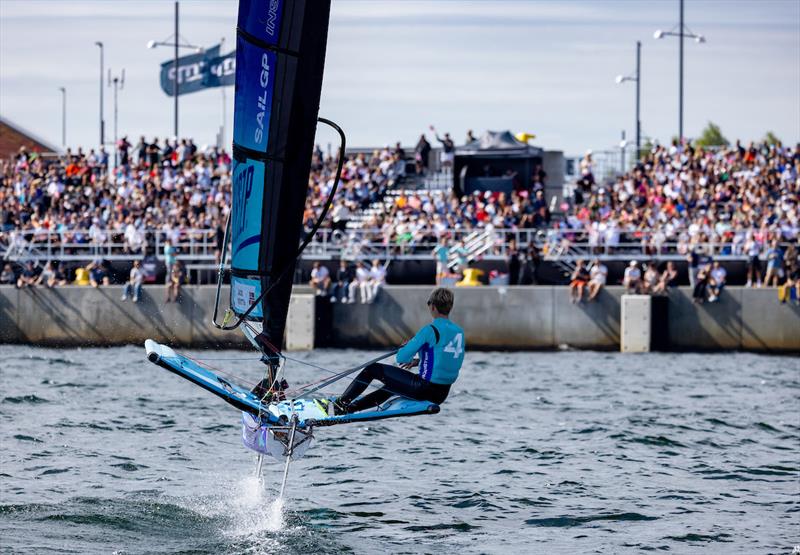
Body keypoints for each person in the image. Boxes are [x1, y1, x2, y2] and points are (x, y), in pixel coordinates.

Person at [333, 288, 464, 414]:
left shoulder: (430, 330)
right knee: (392, 386)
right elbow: (448, 359)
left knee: (372, 369)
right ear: (449, 307)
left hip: (423, 389)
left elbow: (401, 358)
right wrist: (419, 361)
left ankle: (340, 403)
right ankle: (350, 409)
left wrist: (405, 348)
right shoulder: (459, 332)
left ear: (432, 306)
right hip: (441, 395)